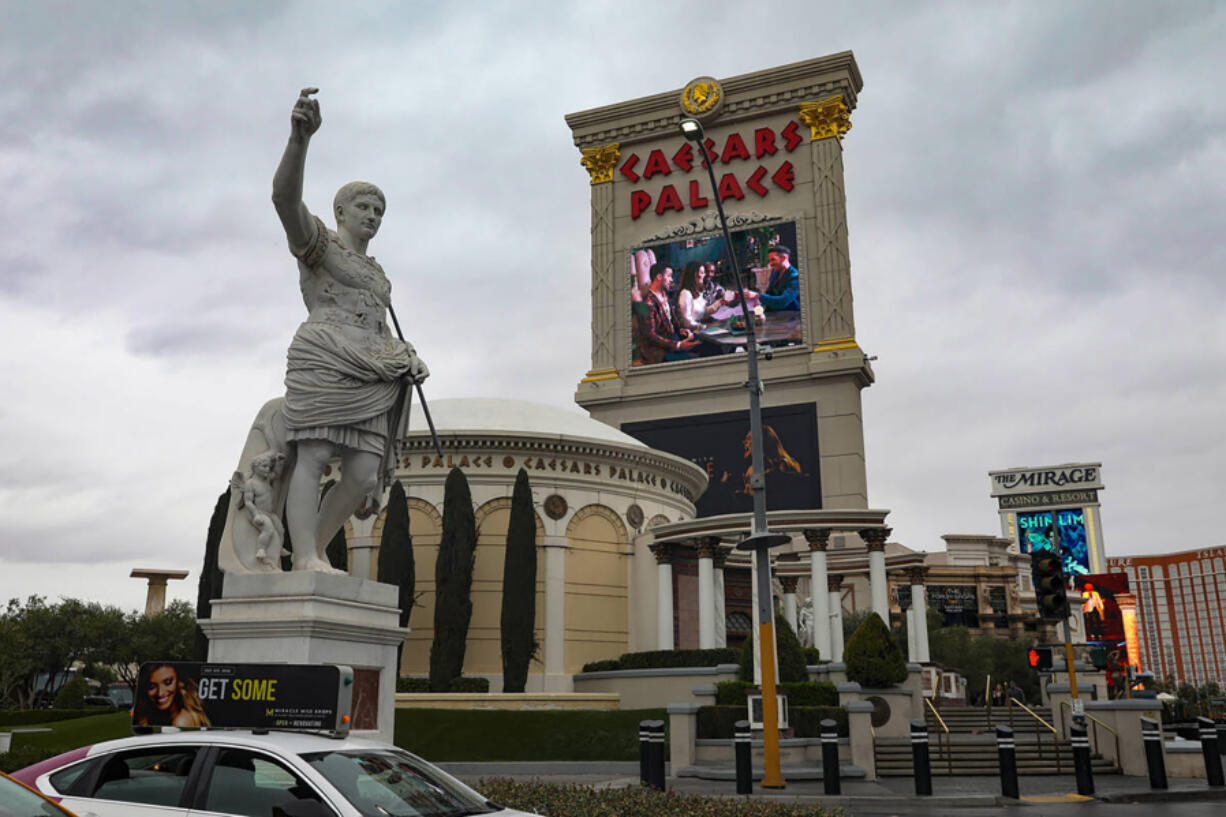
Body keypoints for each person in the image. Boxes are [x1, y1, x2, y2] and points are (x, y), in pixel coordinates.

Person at [271, 88, 428, 572]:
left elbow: (382, 327)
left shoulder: (379, 274)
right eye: (364, 207)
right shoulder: (318, 245)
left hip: (372, 369)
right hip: (326, 354)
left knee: (362, 474)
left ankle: (309, 553)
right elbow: (283, 198)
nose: (373, 216)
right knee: (314, 455)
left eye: (378, 211)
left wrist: (407, 356)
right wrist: (300, 140)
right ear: (340, 212)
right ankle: (304, 557)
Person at [637, 262, 699, 364]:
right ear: (659, 277)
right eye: (669, 276)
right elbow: (651, 336)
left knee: (705, 344)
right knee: (695, 359)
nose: (672, 280)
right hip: (659, 351)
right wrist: (678, 345)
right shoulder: (648, 303)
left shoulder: (664, 294)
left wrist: (681, 330)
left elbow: (671, 321)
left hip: (672, 339)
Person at [133, 664, 210, 728]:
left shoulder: (181, 721)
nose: (160, 693)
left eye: (168, 682)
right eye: (152, 687)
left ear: (179, 682)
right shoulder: (154, 717)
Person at [755, 245, 800, 312]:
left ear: (784, 258)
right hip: (777, 315)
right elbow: (769, 294)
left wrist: (758, 296)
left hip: (792, 317)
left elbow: (783, 301)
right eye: (769, 261)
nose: (770, 264)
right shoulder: (775, 274)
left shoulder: (795, 277)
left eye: (773, 260)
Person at [676, 262, 718, 331]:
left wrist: (721, 302)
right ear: (694, 275)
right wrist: (703, 326)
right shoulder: (686, 293)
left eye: (704, 272)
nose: (704, 275)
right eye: (702, 273)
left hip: (700, 328)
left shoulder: (698, 292)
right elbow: (687, 322)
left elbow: (704, 312)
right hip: (693, 332)